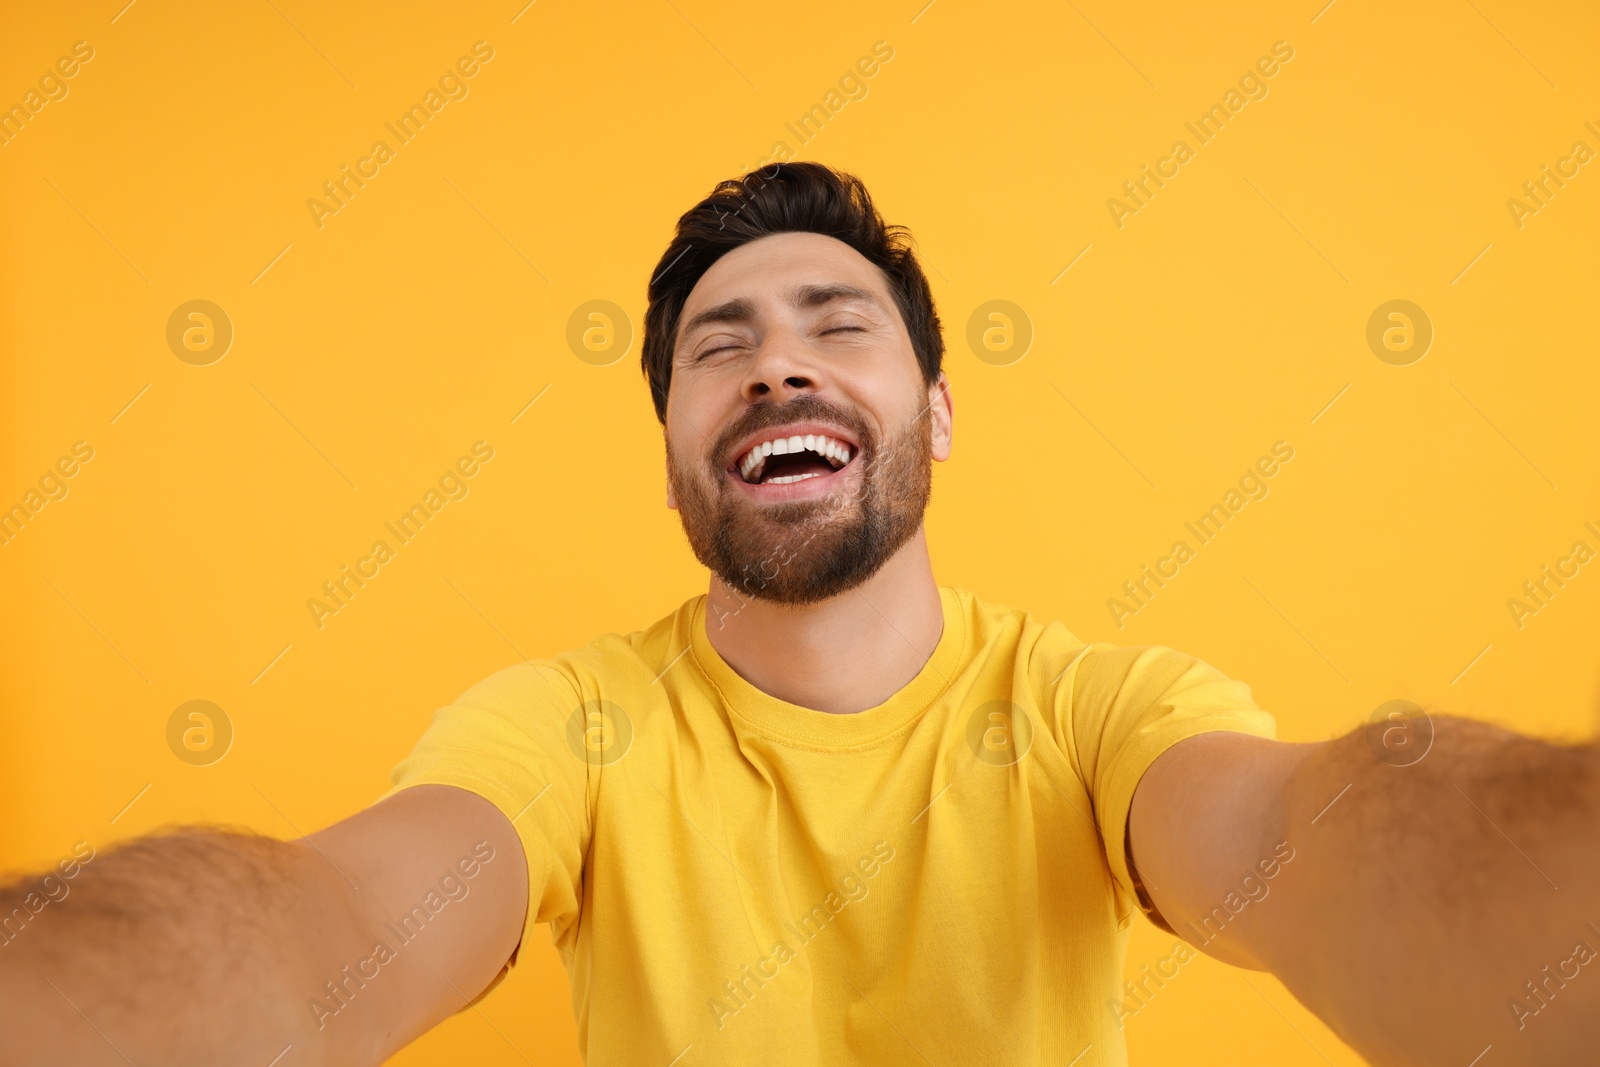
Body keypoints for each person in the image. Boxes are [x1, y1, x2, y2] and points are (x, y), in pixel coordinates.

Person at [2, 162, 1596, 1067]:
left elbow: (1318, 844)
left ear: (939, 413)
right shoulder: (564, 728)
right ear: (678, 449)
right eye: (721, 345)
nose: (777, 363)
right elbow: (337, 921)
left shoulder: (1101, 712)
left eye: (839, 325)